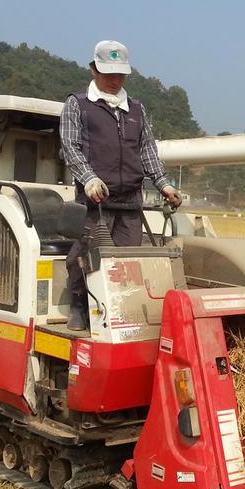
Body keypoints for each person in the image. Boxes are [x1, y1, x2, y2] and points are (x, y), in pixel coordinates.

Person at [59, 40, 182, 331]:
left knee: (126, 263)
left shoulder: (136, 110)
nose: (114, 80)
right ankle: (80, 305)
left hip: (129, 201)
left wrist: (163, 184)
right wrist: (88, 178)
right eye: (107, 73)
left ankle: (118, 313)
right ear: (93, 69)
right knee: (86, 255)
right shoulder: (78, 105)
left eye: (120, 75)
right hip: (94, 200)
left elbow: (147, 150)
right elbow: (69, 147)